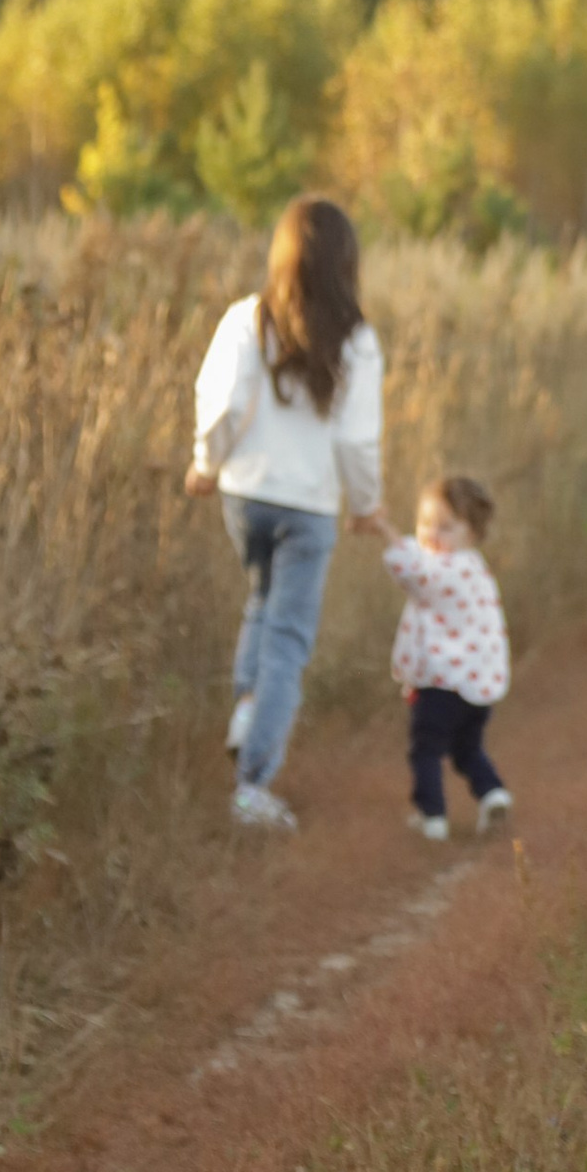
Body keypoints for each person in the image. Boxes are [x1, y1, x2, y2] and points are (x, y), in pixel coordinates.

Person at [186, 194, 385, 832]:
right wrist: (366, 503)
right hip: (309, 507)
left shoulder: (246, 319)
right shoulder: (357, 340)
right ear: (346, 263)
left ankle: (248, 709)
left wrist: (205, 464)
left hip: (246, 495)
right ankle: (253, 785)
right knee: (289, 639)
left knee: (262, 599)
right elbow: (357, 439)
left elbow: (221, 403)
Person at [378, 473, 515, 840]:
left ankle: (432, 817)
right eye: (425, 524)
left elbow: (413, 572)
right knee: (466, 749)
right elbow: (420, 561)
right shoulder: (475, 568)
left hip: (443, 683)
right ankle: (493, 793)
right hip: (476, 687)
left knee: (425, 750)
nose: (431, 534)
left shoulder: (448, 570)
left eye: (445, 527)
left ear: (472, 532)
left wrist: (385, 531)